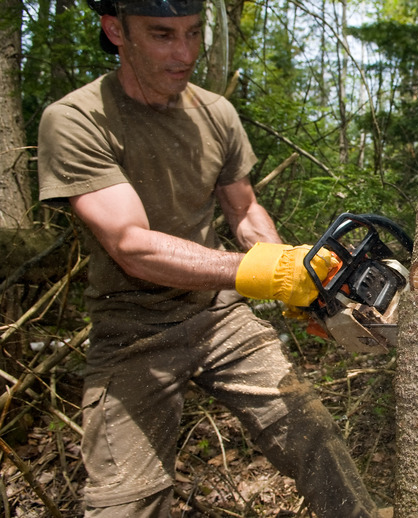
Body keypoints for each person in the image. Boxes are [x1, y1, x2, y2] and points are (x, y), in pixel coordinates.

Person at [36, 0, 388, 516]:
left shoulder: (215, 112)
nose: (184, 53)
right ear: (116, 31)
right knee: (128, 501)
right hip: (131, 327)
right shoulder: (76, 119)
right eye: (161, 35)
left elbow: (243, 209)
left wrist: (291, 264)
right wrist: (264, 274)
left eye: (193, 34)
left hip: (218, 315)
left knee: (315, 439)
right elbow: (131, 245)